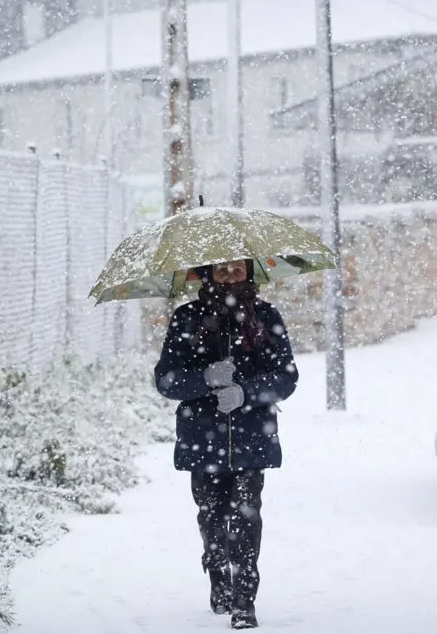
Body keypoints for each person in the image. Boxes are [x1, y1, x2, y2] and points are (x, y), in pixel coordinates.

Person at [154, 258, 299, 630]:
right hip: (203, 439)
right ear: (208, 275)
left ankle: (244, 600)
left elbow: (286, 377)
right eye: (222, 270)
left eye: (238, 269)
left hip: (252, 439)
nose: (231, 276)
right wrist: (205, 377)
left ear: (249, 271)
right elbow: (166, 380)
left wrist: (245, 392)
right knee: (212, 517)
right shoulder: (187, 318)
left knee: (247, 517)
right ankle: (218, 572)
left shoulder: (265, 317)